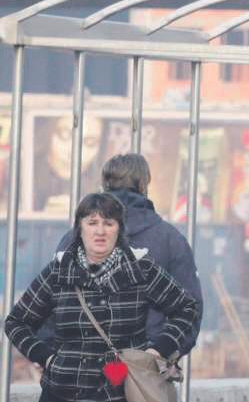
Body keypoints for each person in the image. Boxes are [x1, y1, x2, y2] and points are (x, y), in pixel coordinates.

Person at [8, 193, 201, 402]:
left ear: (119, 229)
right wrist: (47, 357)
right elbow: (17, 321)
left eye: (108, 223)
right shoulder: (58, 273)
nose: (100, 230)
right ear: (79, 228)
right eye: (92, 222)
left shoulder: (141, 270)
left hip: (122, 400)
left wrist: (158, 349)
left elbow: (186, 309)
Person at [55, 151, 205, 357]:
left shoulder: (74, 238)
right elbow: (191, 309)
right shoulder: (171, 239)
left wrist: (49, 355)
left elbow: (50, 303)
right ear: (144, 186)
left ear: (104, 186)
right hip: (142, 369)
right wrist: (161, 351)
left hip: (78, 368)